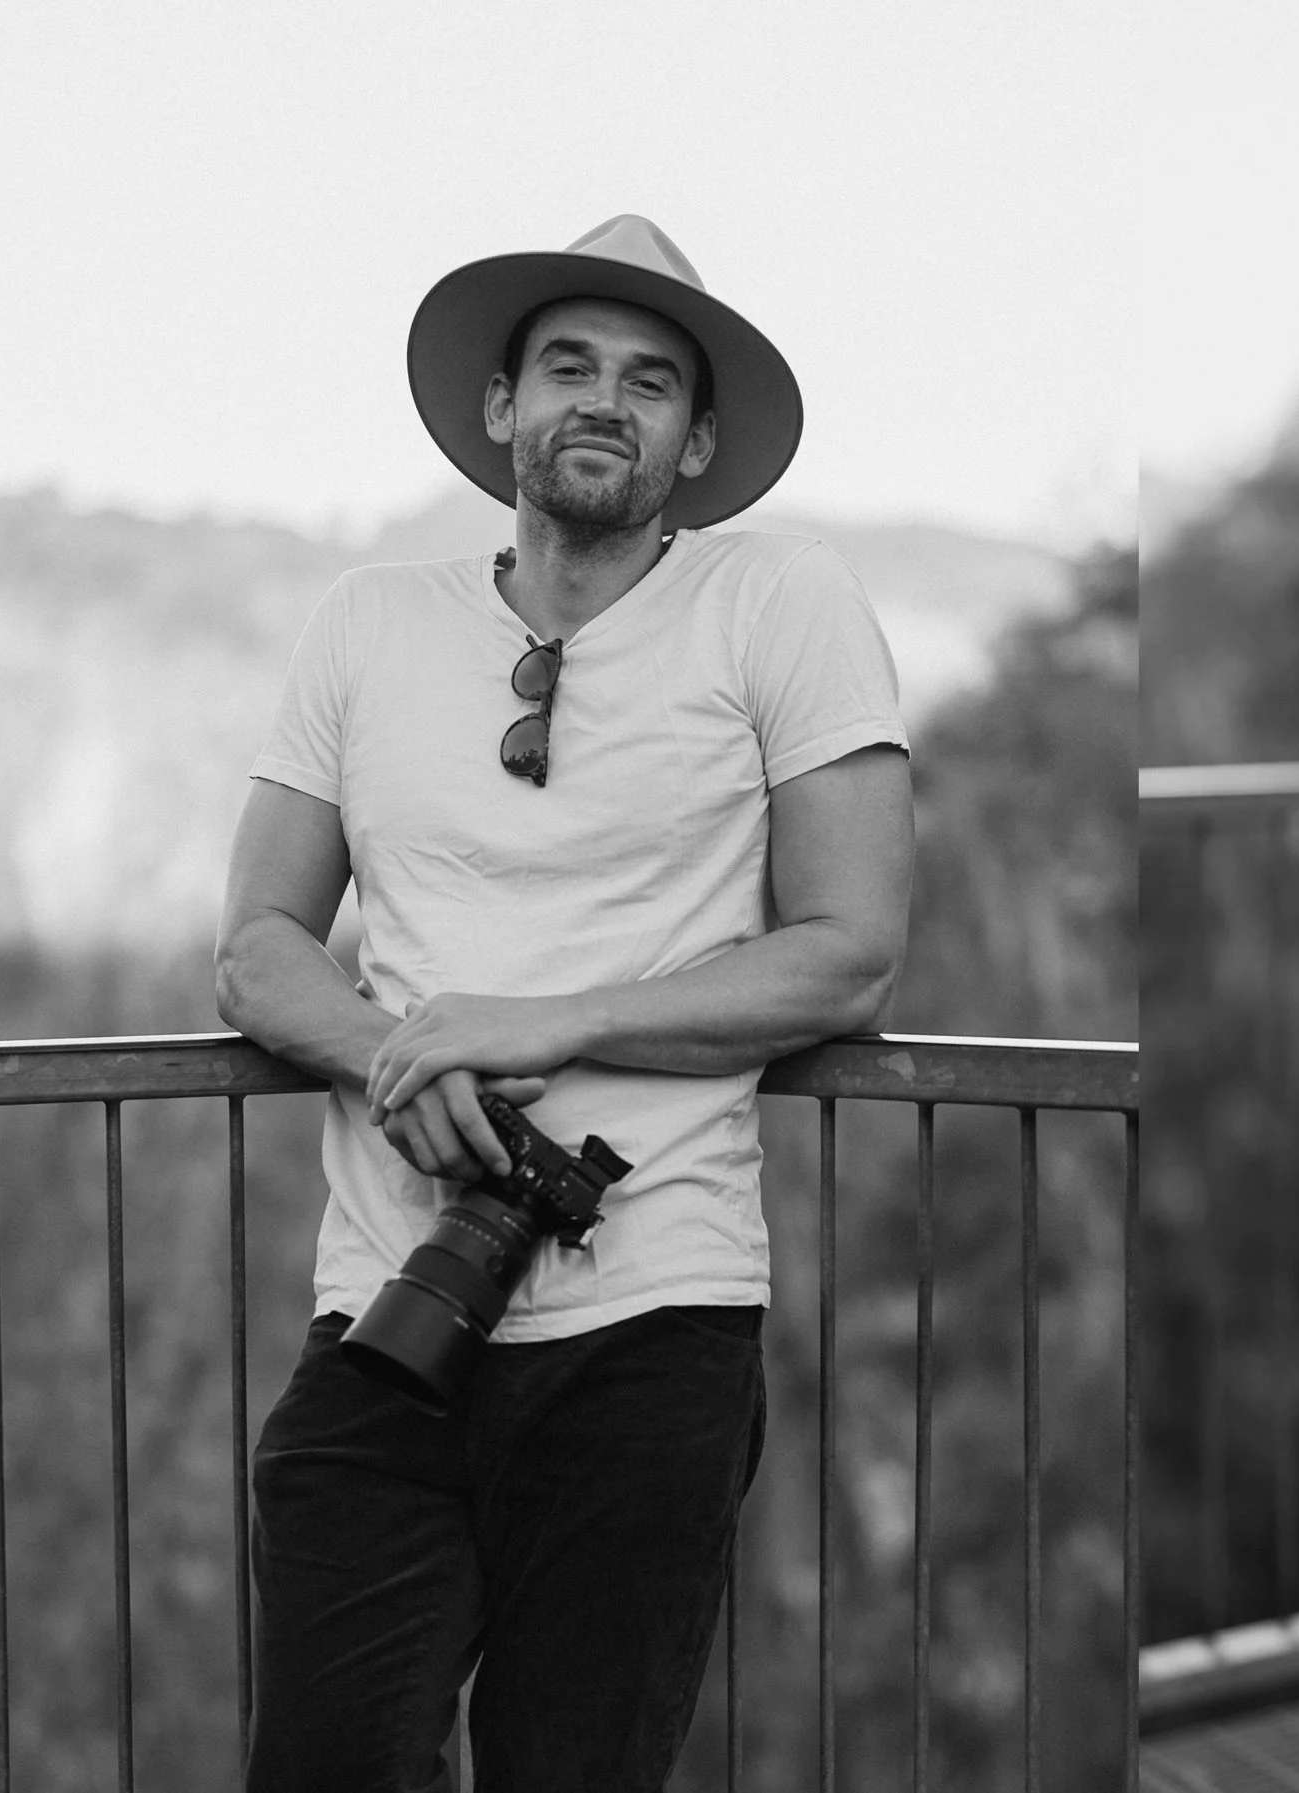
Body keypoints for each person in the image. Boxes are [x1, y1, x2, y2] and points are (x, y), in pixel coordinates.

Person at [215, 214, 913, 1790]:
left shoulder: (776, 604)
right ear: (497, 407)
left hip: (653, 1318)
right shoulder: (366, 621)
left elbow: (852, 949)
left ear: (699, 435)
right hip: (389, 1308)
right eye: (571, 366)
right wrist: (407, 1058)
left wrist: (541, 1023)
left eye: (652, 381)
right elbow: (259, 943)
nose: (607, 401)